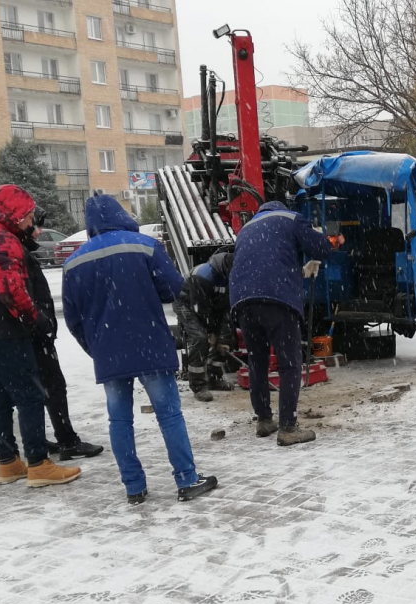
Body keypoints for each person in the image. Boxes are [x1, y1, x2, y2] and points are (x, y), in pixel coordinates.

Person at [63, 194, 217, 504]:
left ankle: (134, 487)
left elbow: (73, 319)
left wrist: (96, 347)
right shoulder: (144, 245)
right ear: (119, 214)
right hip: (149, 344)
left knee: (119, 421)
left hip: (109, 351)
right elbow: (174, 288)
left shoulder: (73, 261)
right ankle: (186, 479)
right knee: (169, 414)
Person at [0, 185, 81, 487]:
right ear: (12, 214)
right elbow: (12, 293)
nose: (29, 223)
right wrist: (36, 320)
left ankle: (8, 461)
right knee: (30, 396)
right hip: (8, 333)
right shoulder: (3, 241)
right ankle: (39, 464)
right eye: (25, 216)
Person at [229, 200, 338, 445]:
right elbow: (321, 249)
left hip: (244, 301)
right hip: (278, 299)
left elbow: (266, 264)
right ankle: (288, 427)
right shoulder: (291, 218)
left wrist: (298, 270)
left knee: (257, 361)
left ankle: (264, 420)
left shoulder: (247, 228)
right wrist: (321, 236)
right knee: (289, 364)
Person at [19, 223, 104, 459]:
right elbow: (21, 294)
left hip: (25, 333)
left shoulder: (14, 249)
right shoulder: (16, 252)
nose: (38, 233)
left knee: (36, 389)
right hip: (33, 333)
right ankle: (66, 441)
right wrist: (41, 322)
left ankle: (38, 441)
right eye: (34, 227)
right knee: (52, 386)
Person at [172, 252, 235, 402]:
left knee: (226, 340)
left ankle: (212, 377)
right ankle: (198, 385)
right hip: (186, 303)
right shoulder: (203, 275)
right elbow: (201, 309)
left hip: (211, 306)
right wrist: (211, 332)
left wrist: (223, 338)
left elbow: (225, 308)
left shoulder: (231, 276)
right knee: (199, 338)